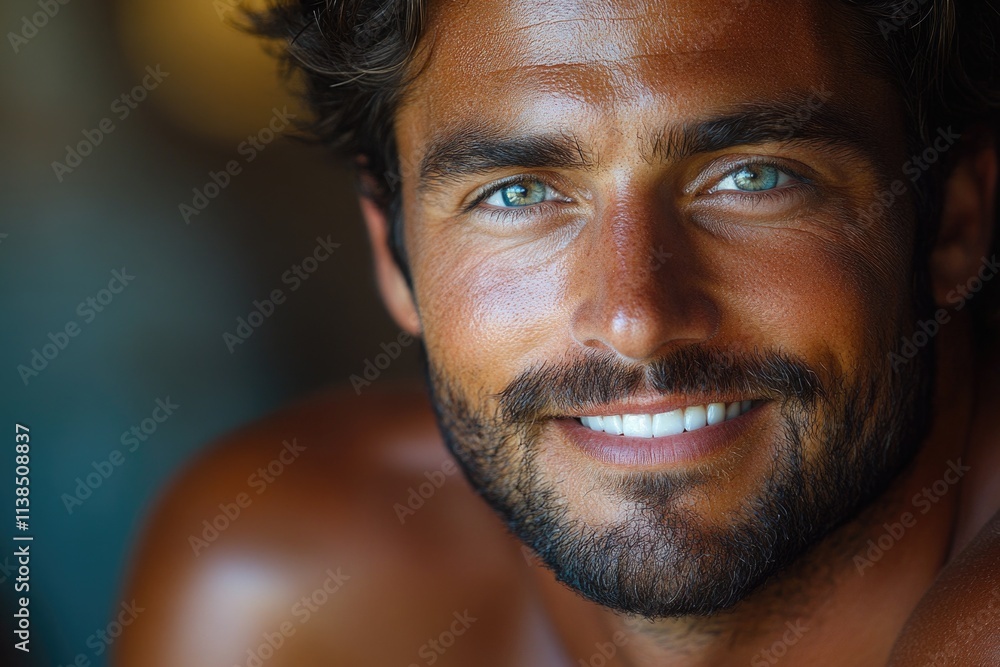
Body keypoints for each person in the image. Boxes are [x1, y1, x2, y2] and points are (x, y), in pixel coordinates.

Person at [116, 1, 1000, 664]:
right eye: (518, 193)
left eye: (752, 177)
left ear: (955, 217)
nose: (636, 320)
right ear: (391, 250)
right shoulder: (286, 591)